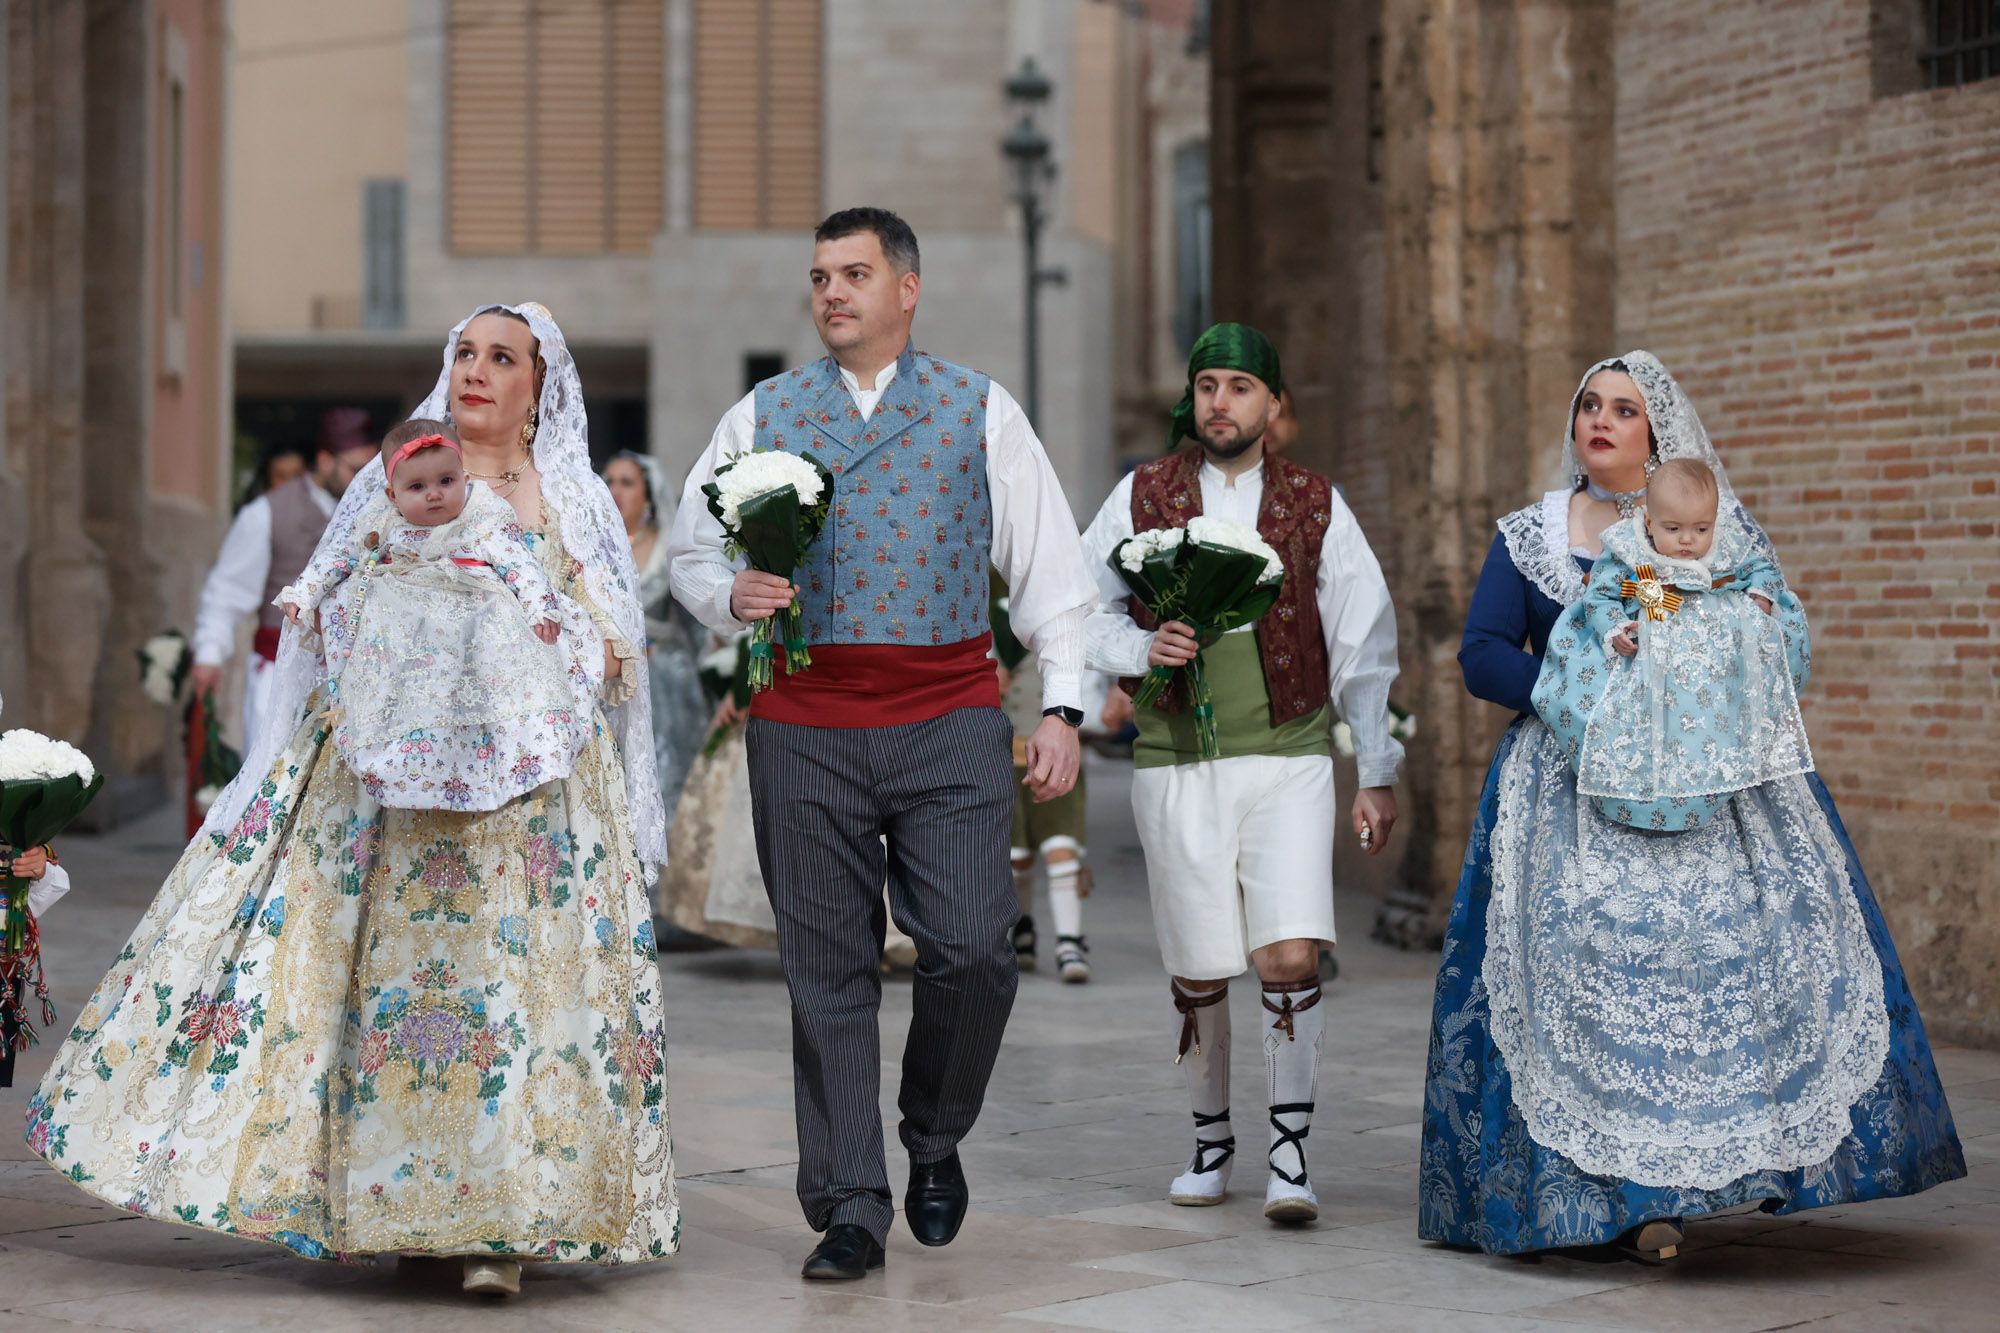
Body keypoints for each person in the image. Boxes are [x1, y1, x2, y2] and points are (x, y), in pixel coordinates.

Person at [27, 304, 677, 1297]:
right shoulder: (395, 471)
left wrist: (558, 643)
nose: (475, 371)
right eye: (465, 352)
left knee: (508, 1002)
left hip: (529, 802)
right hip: (386, 781)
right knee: (383, 995)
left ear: (538, 385)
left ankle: (495, 1226)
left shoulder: (575, 497)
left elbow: (608, 640)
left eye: (501, 358)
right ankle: (386, 1206)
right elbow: (323, 602)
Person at [1419, 351, 1965, 1261]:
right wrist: (1589, 694)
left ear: (1656, 431)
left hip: (1715, 787)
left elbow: (1781, 637)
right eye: (1588, 405)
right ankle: (1612, 1199)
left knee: (1730, 969)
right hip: (1569, 783)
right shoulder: (1533, 534)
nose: (1599, 420)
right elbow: (1481, 653)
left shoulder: (1713, 525)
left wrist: (1716, 654)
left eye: (1623, 410)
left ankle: (1723, 1172)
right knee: (1584, 976)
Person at [668, 207, 1097, 1282]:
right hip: (802, 725)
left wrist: (1063, 708)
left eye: (854, 274)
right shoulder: (761, 413)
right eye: (819, 276)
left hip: (948, 718)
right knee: (826, 975)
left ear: (906, 289)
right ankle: (848, 1204)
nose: (831, 293)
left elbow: (1052, 573)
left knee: (972, 948)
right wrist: (730, 590)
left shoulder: (978, 409)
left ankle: (932, 1129)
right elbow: (686, 549)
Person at [1080, 322, 1402, 1224]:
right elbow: (1078, 606)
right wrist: (1141, 643)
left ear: (1273, 405)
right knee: (1197, 964)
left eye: (1242, 387)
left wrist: (1374, 767)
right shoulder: (1141, 493)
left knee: (1289, 951)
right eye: (1209, 384)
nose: (1223, 401)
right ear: (1194, 397)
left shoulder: (1314, 502)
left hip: (1290, 753)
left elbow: (1364, 642)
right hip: (1174, 760)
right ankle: (1212, 1139)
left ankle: (1290, 1156)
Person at [275, 419, 598, 811]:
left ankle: (495, 755)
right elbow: (337, 557)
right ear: (393, 495)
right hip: (404, 623)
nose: (434, 495)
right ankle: (408, 763)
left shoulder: (480, 516)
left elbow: (520, 564)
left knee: (503, 648)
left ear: (463, 477)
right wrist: (305, 593)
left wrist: (539, 607)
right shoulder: (381, 521)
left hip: (469, 611)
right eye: (417, 487)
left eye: (446, 481)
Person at [1535, 457, 1807, 831]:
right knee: (1631, 718)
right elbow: (1600, 595)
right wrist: (1614, 629)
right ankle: (1638, 792)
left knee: (1709, 721)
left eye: (1700, 528)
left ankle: (1709, 780)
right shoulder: (1631, 551)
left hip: (1707, 676)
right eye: (1673, 527)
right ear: (1649, 522)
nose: (1687, 540)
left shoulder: (1727, 547)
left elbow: (1761, 568)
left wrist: (1760, 596)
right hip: (1648, 661)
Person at [191, 410, 377, 754]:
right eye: (354, 469)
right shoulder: (266, 513)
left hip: (355, 682)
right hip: (280, 678)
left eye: (369, 471)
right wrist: (209, 653)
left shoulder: (379, 510)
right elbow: (227, 591)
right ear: (324, 461)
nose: (362, 481)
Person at [993, 583, 1093, 983]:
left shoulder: (1062, 611)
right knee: (1015, 856)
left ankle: (1071, 940)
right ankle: (1024, 929)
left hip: (1051, 749)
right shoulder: (982, 609)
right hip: (1001, 755)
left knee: (1060, 848)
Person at [604, 450, 710, 824]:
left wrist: (720, 678)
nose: (616, 490)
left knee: (666, 779)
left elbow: (697, 622)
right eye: (610, 481)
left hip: (664, 680)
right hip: (608, 681)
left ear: (648, 495)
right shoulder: (590, 548)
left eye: (627, 482)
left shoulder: (669, 548)